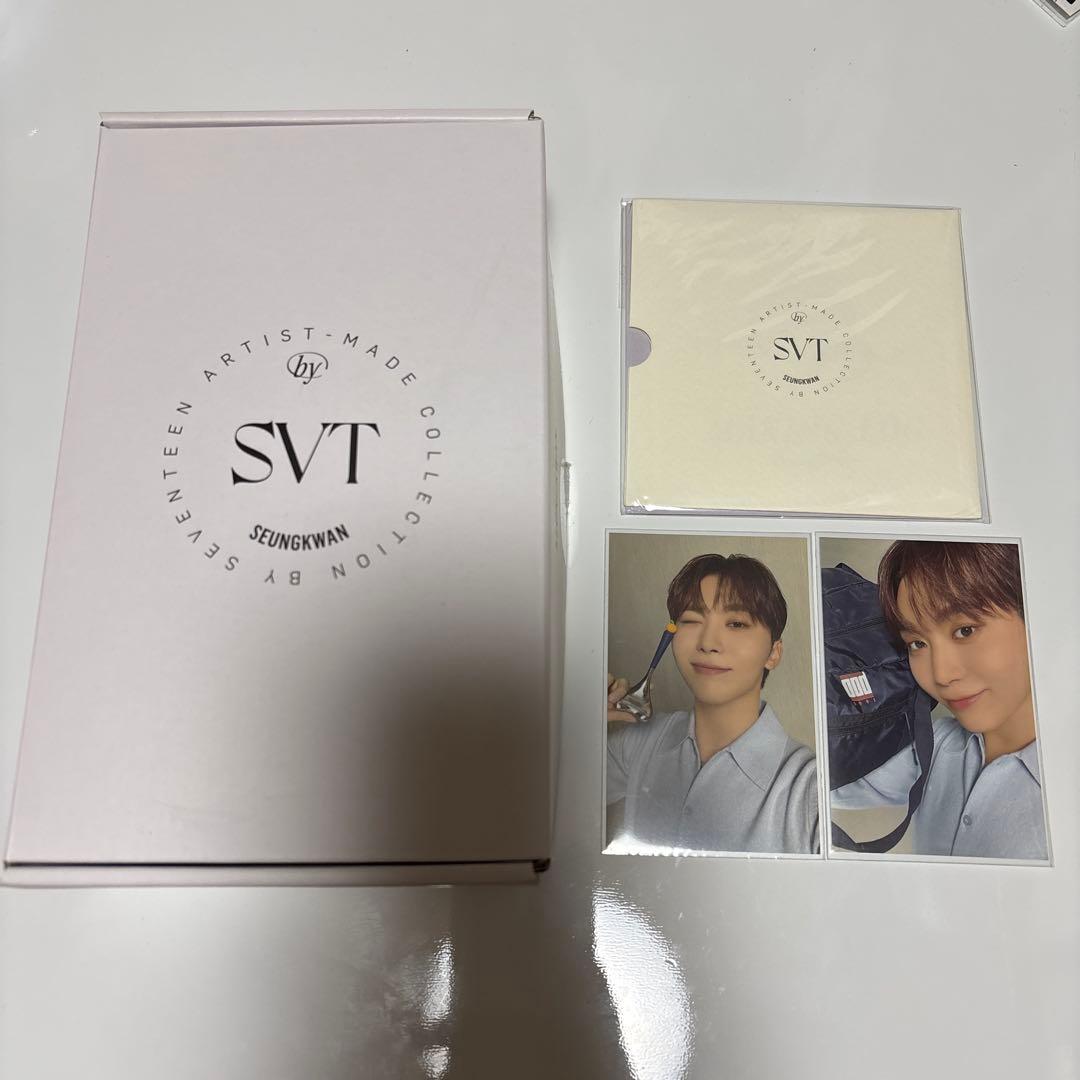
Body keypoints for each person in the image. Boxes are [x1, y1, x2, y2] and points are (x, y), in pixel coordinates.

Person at [832, 541, 1048, 860]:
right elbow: (815, 784)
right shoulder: (932, 746)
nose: (942, 674)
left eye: (965, 631)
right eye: (917, 643)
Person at [606, 553, 818, 854]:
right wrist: (581, 718)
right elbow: (548, 806)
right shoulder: (639, 741)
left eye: (736, 623)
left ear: (773, 653)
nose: (707, 643)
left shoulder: (808, 786)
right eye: (692, 620)